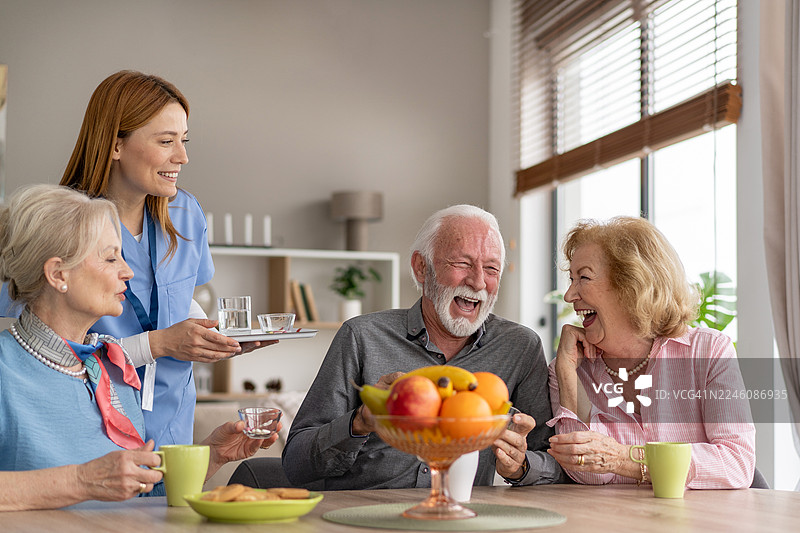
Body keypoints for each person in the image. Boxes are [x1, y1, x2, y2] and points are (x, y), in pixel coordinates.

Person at [17, 70, 273, 449]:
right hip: (90, 410)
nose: (183, 157)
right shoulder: (60, 224)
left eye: (183, 140)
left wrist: (213, 337)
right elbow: (37, 343)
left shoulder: (185, 213)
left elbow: (179, 297)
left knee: (168, 506)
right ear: (115, 145)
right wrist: (159, 343)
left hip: (172, 414)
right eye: (166, 141)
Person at [0, 185, 279, 511]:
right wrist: (82, 481)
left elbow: (140, 498)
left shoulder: (112, 369)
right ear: (58, 274)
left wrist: (212, 455)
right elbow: (94, 484)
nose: (127, 272)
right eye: (110, 257)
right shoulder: (6, 368)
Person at [281, 205, 563, 489]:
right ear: (421, 268)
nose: (478, 282)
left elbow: (554, 462)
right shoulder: (362, 336)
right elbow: (296, 462)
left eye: (491, 268)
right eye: (462, 263)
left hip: (460, 518)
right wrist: (358, 423)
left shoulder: (520, 347)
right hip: (365, 517)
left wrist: (521, 466)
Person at [546, 216, 755, 488]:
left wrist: (624, 459)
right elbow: (588, 473)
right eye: (571, 279)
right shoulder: (569, 368)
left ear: (632, 285)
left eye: (583, 277)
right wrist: (566, 373)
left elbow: (736, 462)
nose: (570, 295)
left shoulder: (709, 351)